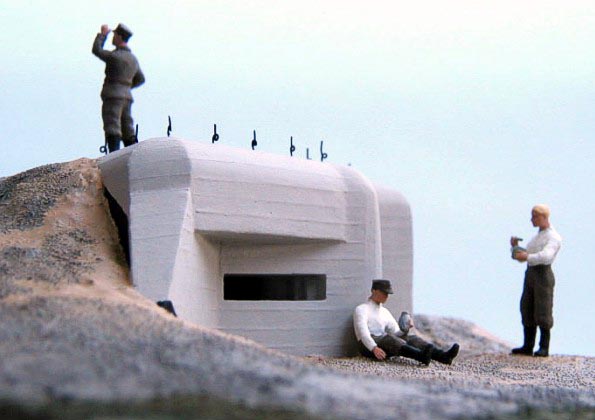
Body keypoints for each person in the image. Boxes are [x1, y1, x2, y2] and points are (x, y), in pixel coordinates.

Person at [353, 279, 460, 365]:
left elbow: (396, 332)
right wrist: (374, 348)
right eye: (383, 292)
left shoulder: (384, 312)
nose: (386, 296)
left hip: (382, 343)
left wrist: (405, 329)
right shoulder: (362, 309)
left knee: (410, 338)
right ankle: (420, 356)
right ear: (374, 291)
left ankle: (443, 356)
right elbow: (363, 333)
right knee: (389, 339)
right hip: (367, 347)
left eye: (387, 293)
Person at [511, 204, 562, 357]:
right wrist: (515, 247)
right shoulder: (537, 237)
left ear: (544, 217)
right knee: (527, 306)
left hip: (542, 275)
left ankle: (544, 347)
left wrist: (527, 256)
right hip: (531, 274)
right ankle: (528, 345)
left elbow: (546, 256)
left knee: (543, 309)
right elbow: (526, 254)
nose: (532, 220)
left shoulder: (553, 237)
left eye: (535, 217)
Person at [92, 23, 145, 153]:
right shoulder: (133, 59)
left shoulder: (115, 56)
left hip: (113, 95)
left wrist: (102, 35)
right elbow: (140, 79)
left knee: (112, 124)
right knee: (127, 127)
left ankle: (114, 154)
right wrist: (126, 87)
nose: (113, 37)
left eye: (115, 35)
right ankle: (132, 154)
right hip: (127, 96)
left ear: (120, 37)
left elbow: (97, 50)